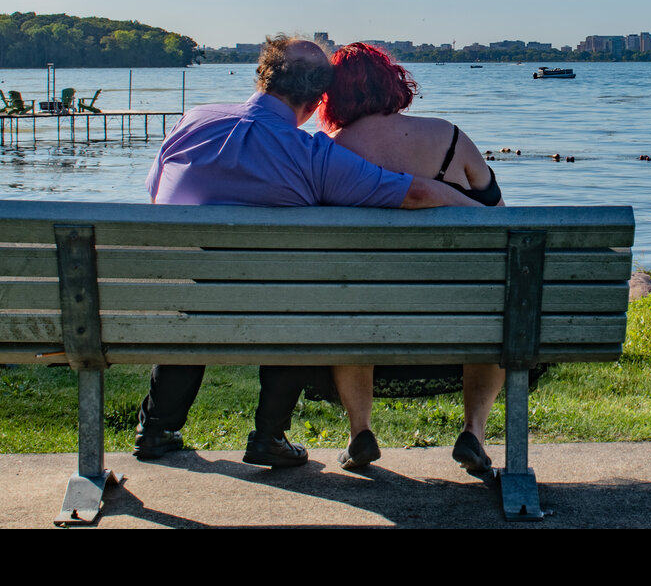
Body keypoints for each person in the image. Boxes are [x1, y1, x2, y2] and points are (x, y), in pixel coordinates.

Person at [134, 35, 480, 469]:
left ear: (263, 76)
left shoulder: (192, 122)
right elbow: (415, 194)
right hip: (276, 307)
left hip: (186, 298)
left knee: (202, 293)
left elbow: (155, 194)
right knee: (299, 299)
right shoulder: (314, 155)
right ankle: (269, 435)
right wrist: (494, 220)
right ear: (319, 100)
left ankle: (157, 428)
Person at [314, 42, 514, 475]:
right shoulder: (449, 137)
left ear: (332, 95)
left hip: (366, 306)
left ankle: (360, 432)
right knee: (496, 311)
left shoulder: (326, 151)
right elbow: (498, 219)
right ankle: (473, 433)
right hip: (460, 305)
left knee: (351, 301)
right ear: (394, 83)